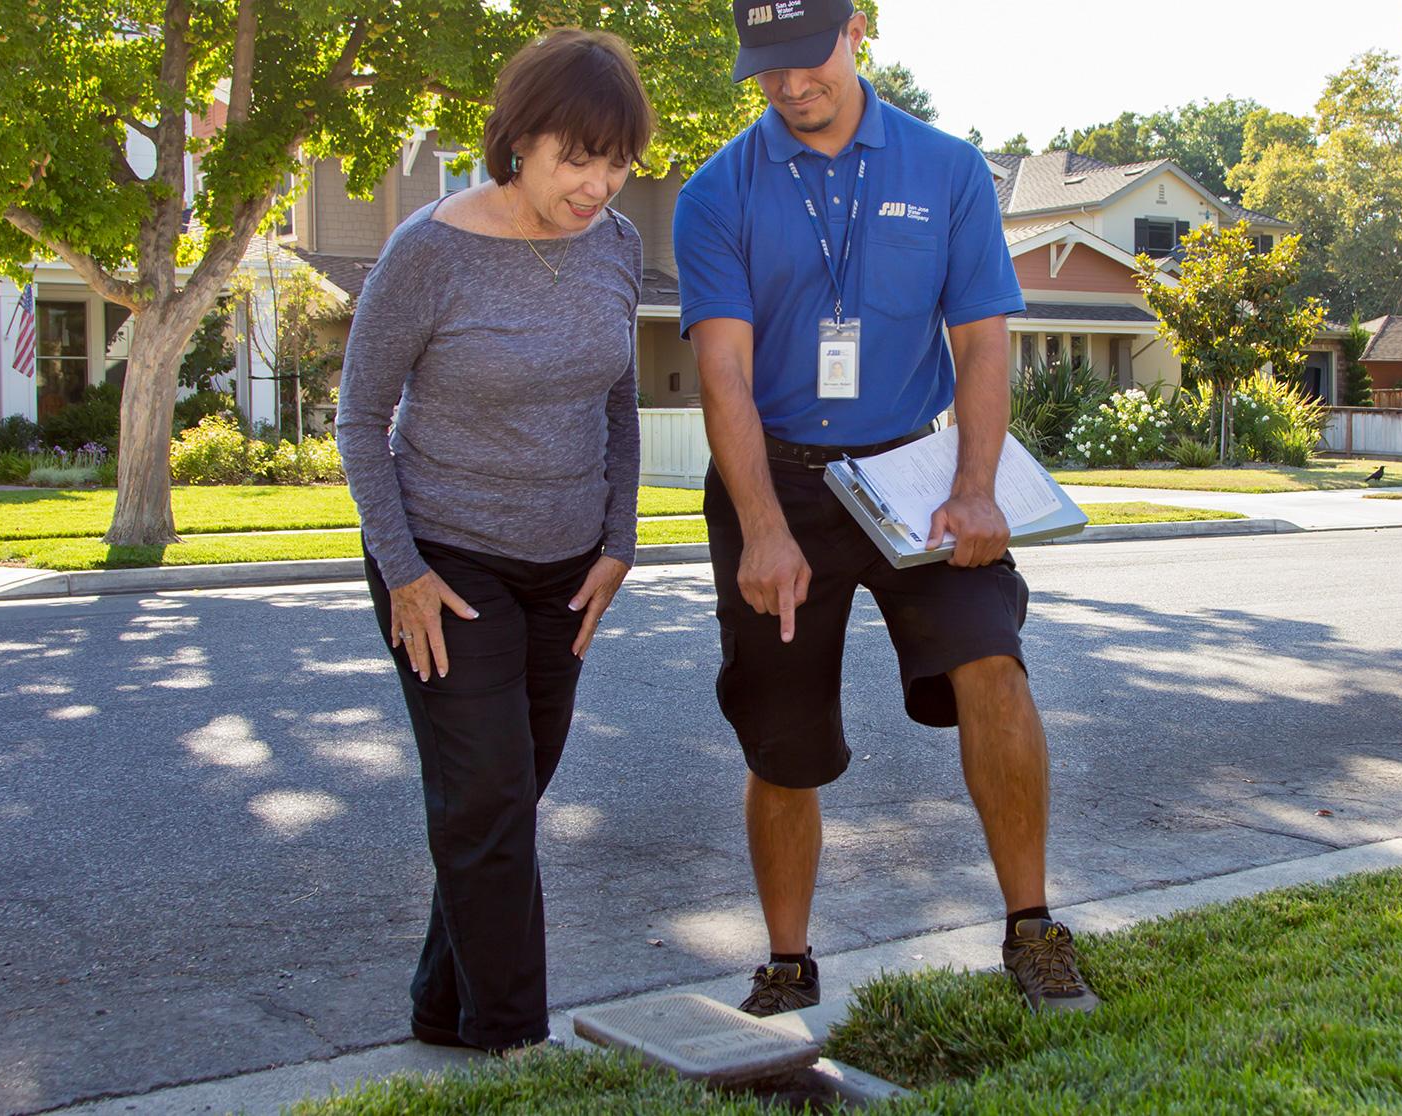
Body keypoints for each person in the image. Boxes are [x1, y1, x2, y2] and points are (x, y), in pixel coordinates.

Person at [674, 0, 1099, 1016]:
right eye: (766, 65)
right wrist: (765, 528)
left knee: (992, 664)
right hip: (773, 478)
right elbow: (722, 373)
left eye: (807, 56)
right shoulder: (714, 191)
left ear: (859, 28)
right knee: (782, 735)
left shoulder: (946, 169)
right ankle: (786, 964)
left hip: (917, 475)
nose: (788, 84)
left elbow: (982, 342)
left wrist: (975, 488)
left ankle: (1032, 934)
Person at [336, 28, 652, 1053]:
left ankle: (444, 1009)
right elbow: (357, 420)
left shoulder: (616, 246)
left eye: (617, 162)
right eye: (578, 157)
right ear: (519, 139)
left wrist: (619, 538)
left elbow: (620, 400)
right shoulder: (428, 252)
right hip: (446, 560)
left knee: (502, 807)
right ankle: (516, 1047)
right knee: (489, 798)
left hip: (567, 565)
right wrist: (406, 573)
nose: (598, 183)